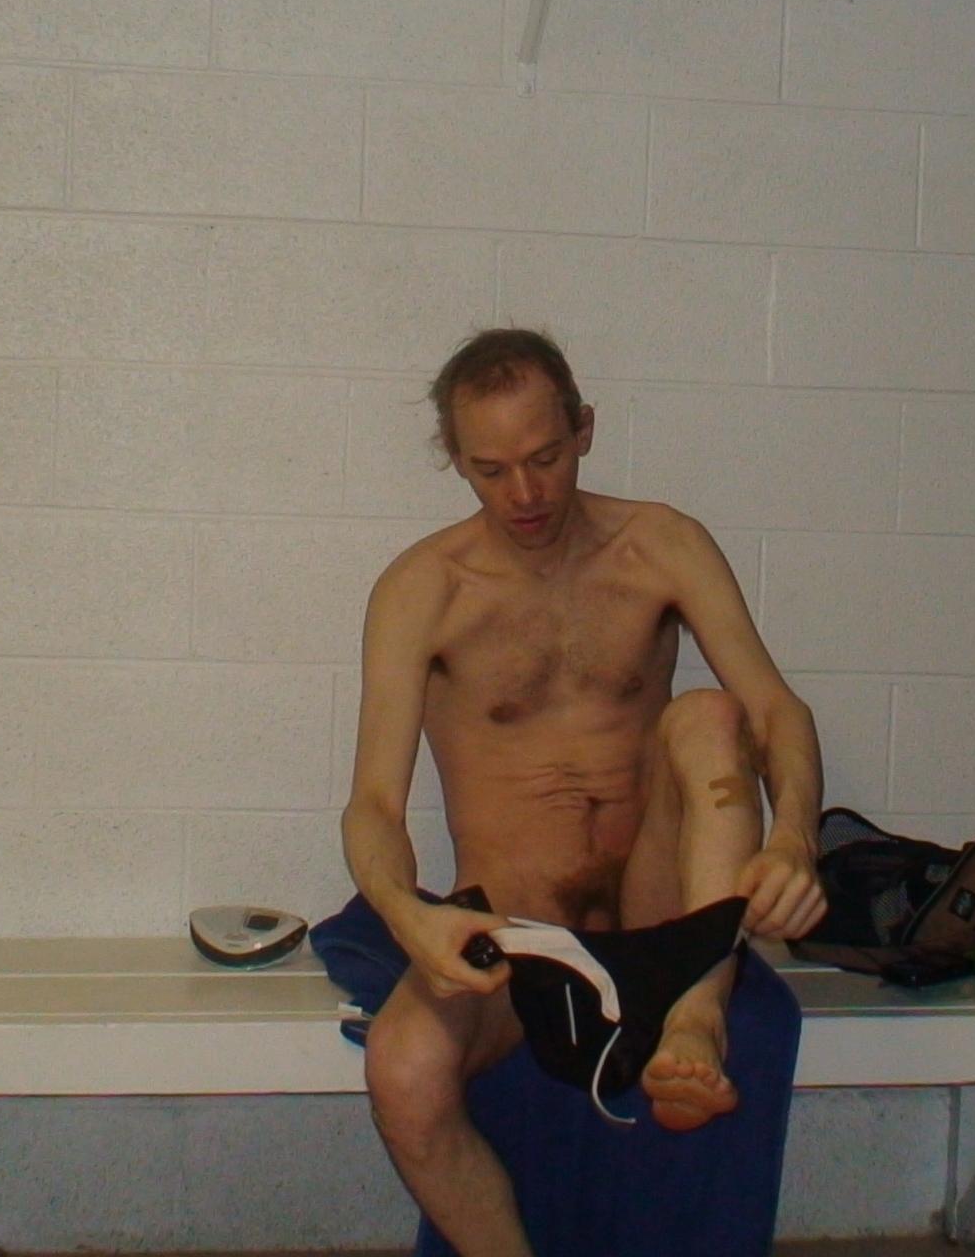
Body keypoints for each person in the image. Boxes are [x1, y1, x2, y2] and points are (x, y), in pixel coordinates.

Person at [341, 327, 827, 1257]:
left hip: (661, 911)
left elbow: (777, 709)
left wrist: (795, 837)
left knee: (711, 714)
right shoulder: (421, 590)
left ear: (585, 430)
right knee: (401, 1073)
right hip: (516, 933)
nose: (524, 494)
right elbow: (373, 804)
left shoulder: (662, 545)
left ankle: (695, 1018)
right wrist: (407, 916)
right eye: (491, 471)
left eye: (545, 458)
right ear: (457, 460)